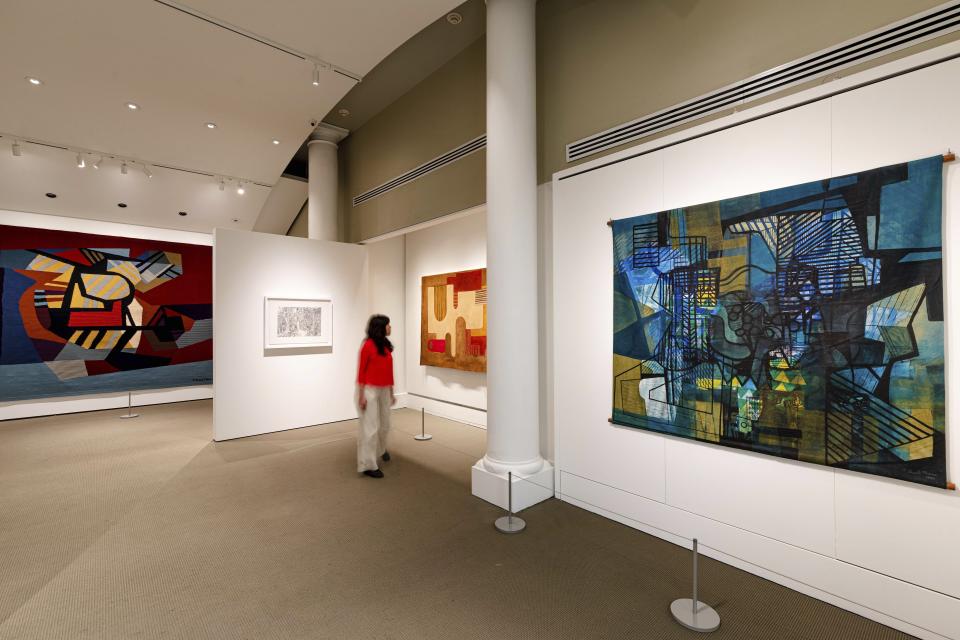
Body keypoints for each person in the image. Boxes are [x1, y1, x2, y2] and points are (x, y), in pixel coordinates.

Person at [356, 314, 396, 478]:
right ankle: (368, 464)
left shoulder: (385, 345)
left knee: (385, 424)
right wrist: (361, 396)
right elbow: (361, 372)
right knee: (370, 428)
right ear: (381, 328)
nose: (390, 327)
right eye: (388, 325)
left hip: (385, 389)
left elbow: (388, 371)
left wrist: (392, 392)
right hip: (370, 390)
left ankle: (381, 449)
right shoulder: (368, 346)